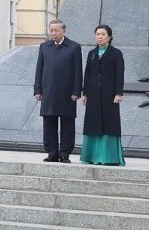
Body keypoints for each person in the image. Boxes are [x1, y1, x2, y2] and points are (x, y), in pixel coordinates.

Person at [32, 20, 83, 163]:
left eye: (56, 30)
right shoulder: (44, 47)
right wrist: (38, 90)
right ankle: (52, 152)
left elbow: (78, 71)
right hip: (48, 91)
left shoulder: (74, 47)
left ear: (64, 31)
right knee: (49, 124)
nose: (53, 33)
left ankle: (65, 153)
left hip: (67, 93)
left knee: (67, 124)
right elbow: (39, 69)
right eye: (52, 30)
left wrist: (76, 91)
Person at [80, 25, 126, 166]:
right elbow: (87, 74)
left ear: (109, 37)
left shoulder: (116, 53)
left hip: (109, 95)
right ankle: (91, 156)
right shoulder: (92, 53)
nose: (100, 37)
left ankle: (108, 157)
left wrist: (119, 93)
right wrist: (85, 93)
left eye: (103, 34)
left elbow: (120, 74)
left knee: (109, 124)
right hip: (93, 95)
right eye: (97, 34)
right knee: (92, 124)